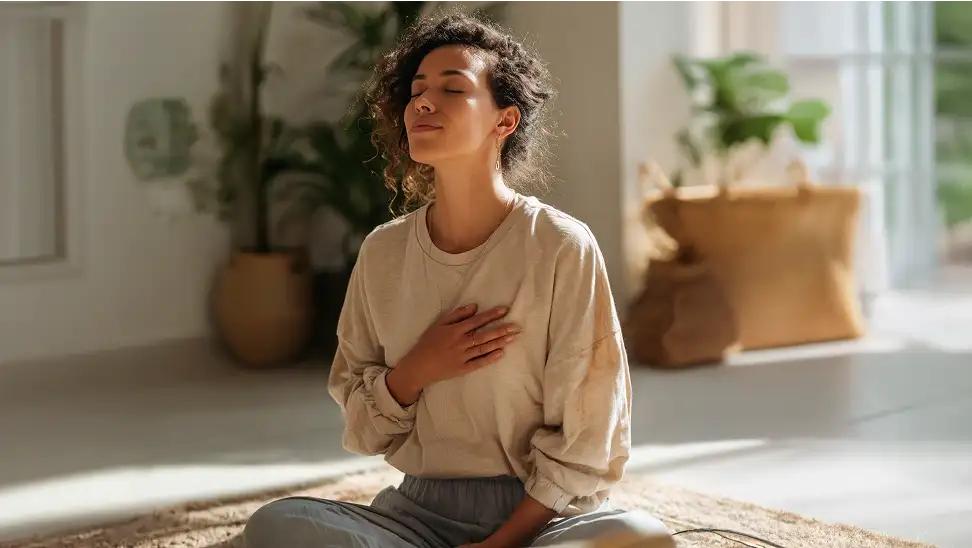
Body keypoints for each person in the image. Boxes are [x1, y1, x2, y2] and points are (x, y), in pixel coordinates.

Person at [243, 9, 673, 548]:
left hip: (541, 522)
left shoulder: (561, 246)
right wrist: (418, 368)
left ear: (504, 120)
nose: (422, 102)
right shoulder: (383, 253)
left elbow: (591, 431)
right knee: (275, 526)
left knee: (637, 536)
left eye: (452, 89)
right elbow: (363, 424)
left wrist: (499, 545)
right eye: (417, 89)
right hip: (414, 519)